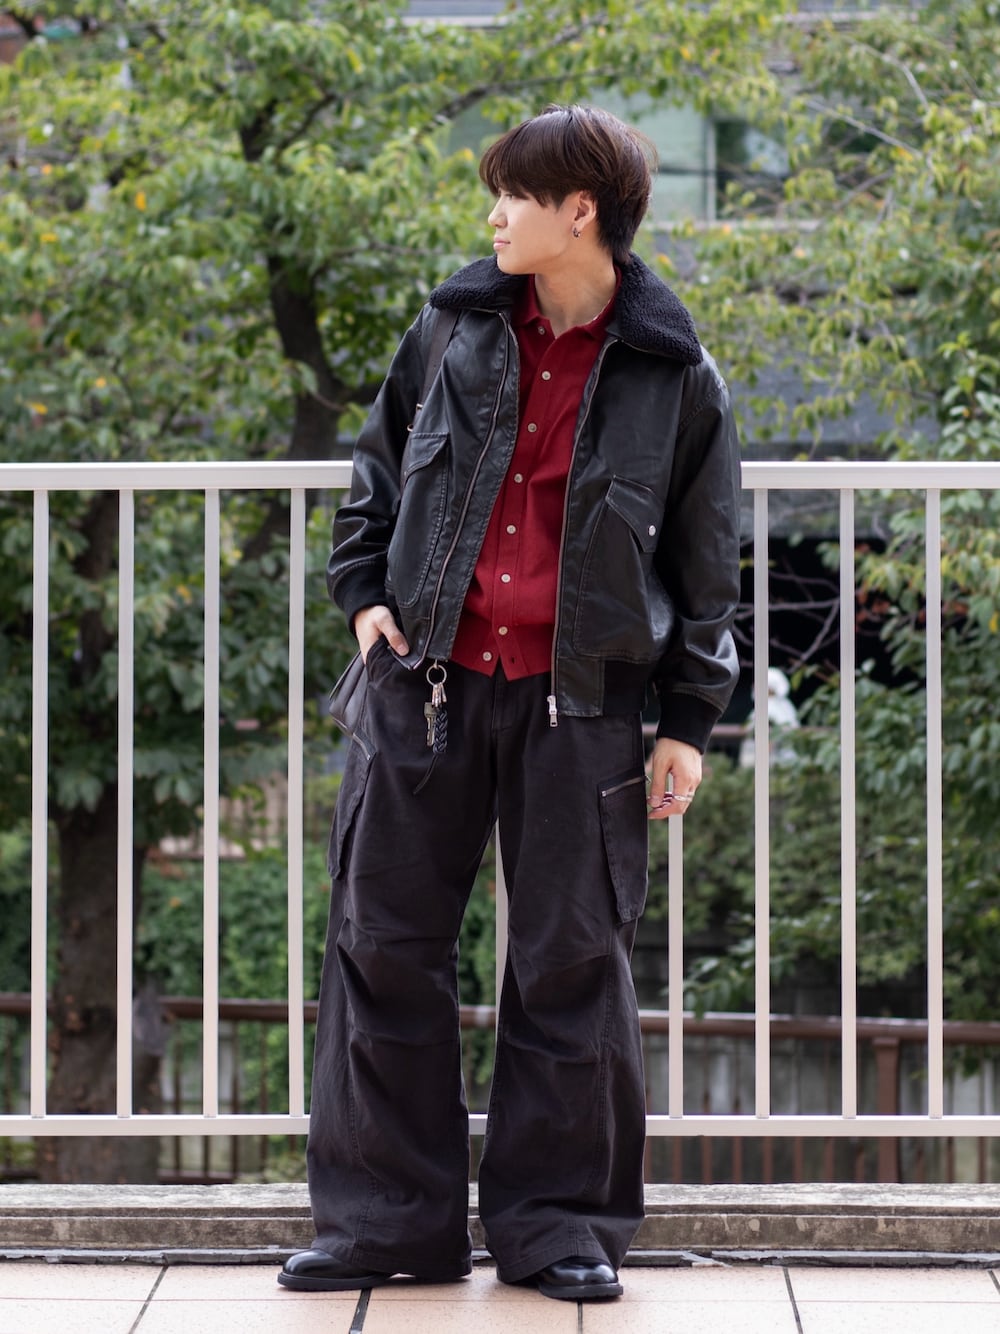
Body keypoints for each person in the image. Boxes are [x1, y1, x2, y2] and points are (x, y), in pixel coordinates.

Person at [278, 104, 741, 1303]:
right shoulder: (450, 327)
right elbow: (375, 476)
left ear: (577, 212)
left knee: (569, 964)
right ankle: (388, 1221)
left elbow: (706, 568)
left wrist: (687, 723)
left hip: (581, 707)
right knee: (382, 945)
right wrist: (363, 599)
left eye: (512, 195)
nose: (492, 216)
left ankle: (557, 1225)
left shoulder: (675, 375)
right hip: (423, 684)